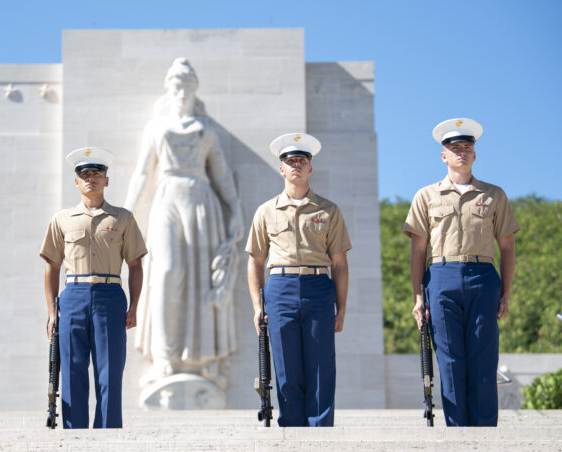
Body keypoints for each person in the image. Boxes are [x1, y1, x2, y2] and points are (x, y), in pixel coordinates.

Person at [124, 57, 243, 383]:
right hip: (167, 198)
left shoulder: (206, 129)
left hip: (201, 201)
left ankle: (204, 358)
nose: (182, 91)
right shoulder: (155, 127)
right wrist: (125, 214)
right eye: (177, 85)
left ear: (195, 90)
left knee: (201, 277)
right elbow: (142, 173)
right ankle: (164, 355)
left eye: (188, 85)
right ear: (168, 88)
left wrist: (236, 210)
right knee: (166, 271)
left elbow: (221, 173)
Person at [403, 118, 520, 426]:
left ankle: (484, 433)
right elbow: (417, 252)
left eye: (467, 147)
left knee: (483, 359)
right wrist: (418, 297)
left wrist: (506, 293)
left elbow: (507, 248)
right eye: (455, 148)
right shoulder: (426, 196)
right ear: (443, 156)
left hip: (483, 277)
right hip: (441, 277)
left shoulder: (494, 195)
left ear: (475, 154)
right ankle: (457, 433)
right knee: (450, 360)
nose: (462, 153)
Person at [246, 133, 351, 427]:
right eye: (290, 161)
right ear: (281, 169)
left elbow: (340, 264)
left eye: (301, 161)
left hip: (318, 288)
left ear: (310, 168)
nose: (296, 166)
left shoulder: (329, 210)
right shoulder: (266, 211)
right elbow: (255, 261)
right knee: (286, 367)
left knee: (320, 367)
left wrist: (341, 309)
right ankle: (290, 431)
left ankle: (320, 432)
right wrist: (257, 306)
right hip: (280, 289)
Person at [41, 147, 147, 429]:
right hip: (73, 295)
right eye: (85, 175)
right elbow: (51, 267)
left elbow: (135, 265)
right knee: (72, 371)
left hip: (109, 295)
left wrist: (134, 307)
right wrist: (52, 313)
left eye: (97, 174)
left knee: (109, 371)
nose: (91, 179)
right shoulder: (61, 219)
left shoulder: (123, 218)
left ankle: (108, 435)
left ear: (106, 180)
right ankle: (74, 434)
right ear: (76, 182)